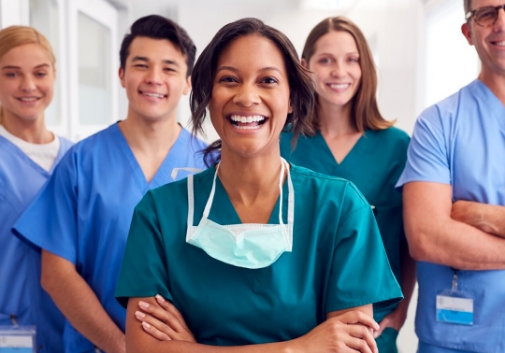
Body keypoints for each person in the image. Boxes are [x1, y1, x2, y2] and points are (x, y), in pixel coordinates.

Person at [114, 17, 403, 353]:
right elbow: (143, 348)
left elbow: (347, 348)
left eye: (267, 80)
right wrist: (300, 347)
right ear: (207, 94)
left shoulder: (340, 208)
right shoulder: (159, 213)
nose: (247, 96)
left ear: (293, 98)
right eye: (229, 80)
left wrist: (192, 348)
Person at [12, 15, 207, 353]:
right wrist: (121, 347)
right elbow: (56, 274)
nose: (154, 79)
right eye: (141, 65)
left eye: (170, 68)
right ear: (121, 74)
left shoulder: (212, 166)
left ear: (188, 81)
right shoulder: (81, 162)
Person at [279, 17, 415, 353]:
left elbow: (409, 241)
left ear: (365, 66)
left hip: (370, 331)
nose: (339, 71)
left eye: (351, 59)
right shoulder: (280, 142)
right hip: (292, 331)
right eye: (326, 60)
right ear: (305, 67)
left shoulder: (397, 147)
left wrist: (399, 315)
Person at [397, 1, 505, 352]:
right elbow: (427, 237)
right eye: (487, 13)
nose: (501, 23)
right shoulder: (438, 124)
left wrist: (479, 215)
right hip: (456, 341)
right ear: (468, 32)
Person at [0, 26, 72, 352]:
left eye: (39, 72)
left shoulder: (78, 158)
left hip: (76, 331)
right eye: (11, 74)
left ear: (54, 75)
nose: (28, 85)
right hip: (9, 332)